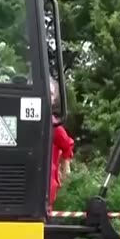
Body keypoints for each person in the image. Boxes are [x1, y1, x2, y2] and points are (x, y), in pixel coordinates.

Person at [48, 77, 74, 213]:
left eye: (51, 94)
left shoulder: (53, 125)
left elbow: (67, 144)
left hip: (46, 186)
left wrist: (65, 167)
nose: (48, 96)